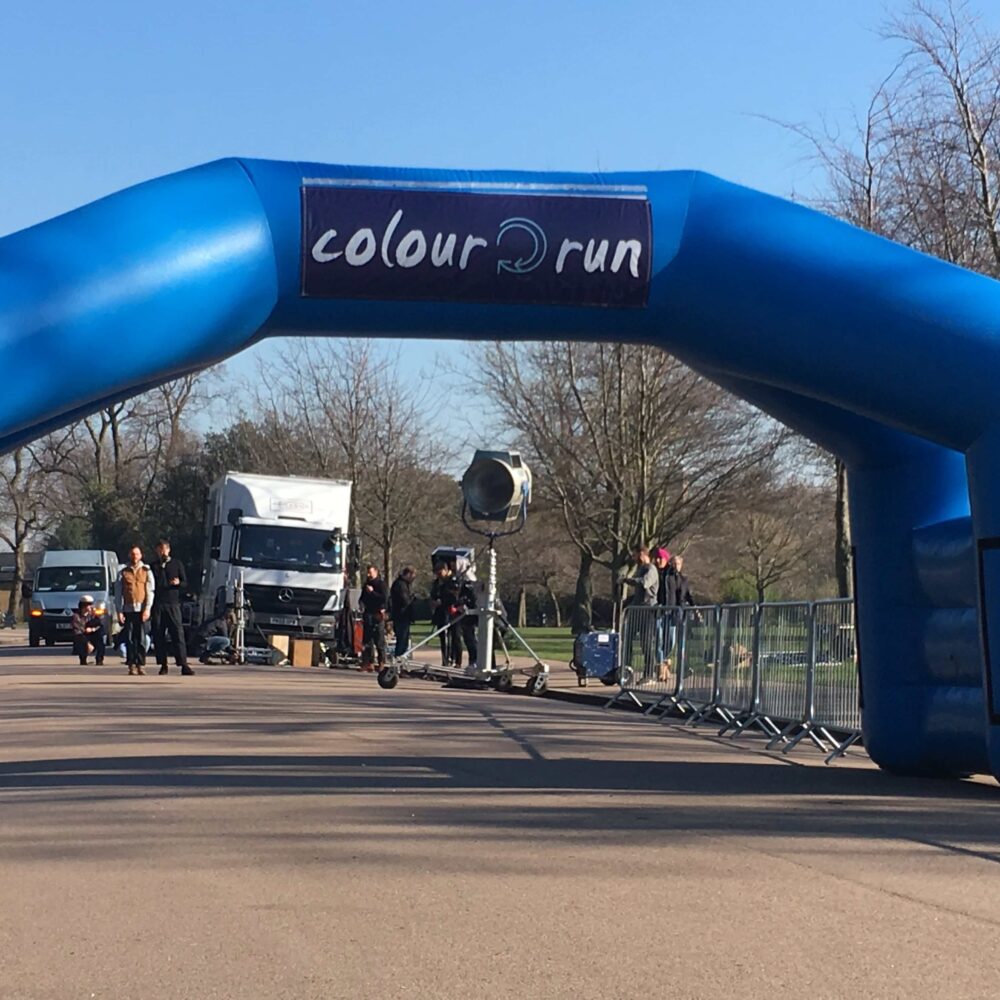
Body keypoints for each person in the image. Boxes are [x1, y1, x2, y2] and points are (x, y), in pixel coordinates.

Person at [150, 537, 193, 676]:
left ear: (169, 550)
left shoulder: (177, 564)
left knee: (177, 634)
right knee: (159, 634)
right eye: (159, 549)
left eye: (164, 549)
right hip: (158, 604)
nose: (162, 552)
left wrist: (178, 583)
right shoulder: (153, 566)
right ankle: (163, 664)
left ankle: (183, 664)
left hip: (173, 604)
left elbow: (185, 583)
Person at [621, 546, 659, 682]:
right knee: (627, 639)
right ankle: (627, 671)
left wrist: (628, 580)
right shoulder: (640, 569)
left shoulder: (650, 569)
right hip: (637, 610)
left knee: (646, 642)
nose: (633, 558)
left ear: (642, 554)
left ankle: (649, 673)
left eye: (635, 555)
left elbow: (644, 583)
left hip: (647, 610)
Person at [115, 545, 155, 676]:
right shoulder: (123, 572)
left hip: (142, 610)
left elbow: (150, 591)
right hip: (128, 610)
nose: (135, 556)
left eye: (137, 554)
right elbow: (118, 593)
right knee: (130, 639)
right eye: (132, 554)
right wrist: (119, 611)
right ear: (129, 555)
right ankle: (131, 664)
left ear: (141, 555)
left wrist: (147, 609)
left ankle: (141, 664)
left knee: (142, 639)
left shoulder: (146, 571)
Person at [429, 562, 463, 667]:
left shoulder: (454, 581)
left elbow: (455, 596)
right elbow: (433, 594)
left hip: (453, 613)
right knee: (443, 638)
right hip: (441, 613)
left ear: (445, 570)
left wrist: (442, 601)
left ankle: (457, 661)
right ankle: (445, 660)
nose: (438, 576)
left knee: (456, 637)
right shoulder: (437, 583)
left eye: (440, 573)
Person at [358, 564, 388, 671]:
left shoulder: (381, 584)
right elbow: (362, 598)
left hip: (378, 614)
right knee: (367, 640)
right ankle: (368, 662)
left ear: (376, 572)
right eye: (368, 573)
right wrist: (361, 605)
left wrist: (373, 593)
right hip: (368, 613)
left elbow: (384, 599)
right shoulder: (366, 584)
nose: (368, 575)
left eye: (370, 572)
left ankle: (381, 662)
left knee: (379, 639)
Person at [389, 565, 417, 659]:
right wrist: (413, 599)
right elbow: (405, 600)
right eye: (412, 576)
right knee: (402, 641)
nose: (413, 579)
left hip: (403, 616)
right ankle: (398, 660)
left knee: (403, 641)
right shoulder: (400, 585)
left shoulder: (404, 584)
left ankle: (400, 660)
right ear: (408, 574)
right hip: (401, 616)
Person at [70, 594, 105, 666]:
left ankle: (99, 659)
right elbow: (77, 631)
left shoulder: (93, 616)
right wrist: (87, 643)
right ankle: (83, 659)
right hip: (82, 637)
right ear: (84, 606)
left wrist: (93, 629)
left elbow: (100, 626)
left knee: (100, 638)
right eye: (89, 605)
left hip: (92, 636)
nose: (91, 607)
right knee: (80, 639)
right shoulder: (76, 616)